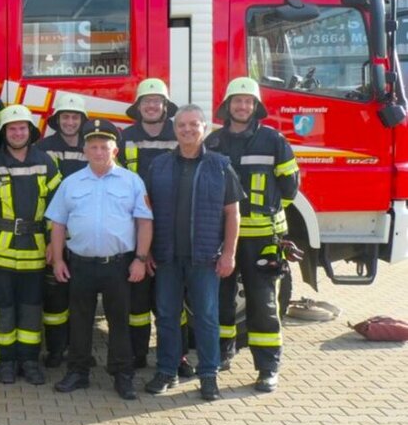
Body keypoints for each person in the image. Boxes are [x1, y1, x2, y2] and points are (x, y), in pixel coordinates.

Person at [205, 77, 299, 393]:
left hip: (263, 240)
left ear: (255, 107)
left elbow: (290, 188)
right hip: (223, 237)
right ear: (227, 106)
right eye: (237, 101)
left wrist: (269, 215)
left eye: (248, 101)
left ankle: (268, 368)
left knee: (263, 304)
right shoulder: (214, 142)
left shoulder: (274, 140)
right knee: (222, 301)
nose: (242, 106)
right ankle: (221, 356)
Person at [47, 119, 152, 401]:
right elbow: (57, 224)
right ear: (85, 151)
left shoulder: (132, 181)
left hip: (118, 264)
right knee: (79, 321)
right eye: (93, 147)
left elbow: (144, 222)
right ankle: (78, 372)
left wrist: (140, 259)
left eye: (104, 147)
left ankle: (122, 375)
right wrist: (58, 261)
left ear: (114, 151)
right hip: (80, 264)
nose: (98, 152)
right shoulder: (71, 183)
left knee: (120, 321)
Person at [143, 105, 241, 401]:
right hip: (167, 257)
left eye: (193, 125)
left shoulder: (220, 165)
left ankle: (208, 375)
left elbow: (233, 213)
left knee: (207, 318)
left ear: (205, 128)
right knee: (166, 316)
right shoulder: (158, 166)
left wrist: (229, 254)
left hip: (205, 257)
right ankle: (167, 370)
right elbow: (145, 213)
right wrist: (145, 252)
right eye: (182, 125)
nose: (187, 130)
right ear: (174, 130)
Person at [0, 105, 61, 385]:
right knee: (4, 310)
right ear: (4, 132)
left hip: (35, 252)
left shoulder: (46, 162)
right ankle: (6, 361)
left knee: (31, 309)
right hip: (0, 252)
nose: (17, 132)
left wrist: (54, 244)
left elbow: (59, 209)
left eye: (22, 128)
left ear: (30, 132)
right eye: (12, 128)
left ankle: (29, 362)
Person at [118, 78, 186, 373]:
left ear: (165, 106)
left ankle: (178, 356)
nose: (151, 105)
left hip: (172, 227)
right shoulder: (126, 136)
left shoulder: (179, 133)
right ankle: (137, 355)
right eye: (146, 101)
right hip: (135, 227)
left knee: (172, 301)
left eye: (157, 101)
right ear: (138, 106)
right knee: (138, 300)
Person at [35, 91, 88, 368]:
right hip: (56, 233)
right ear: (57, 120)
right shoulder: (44, 148)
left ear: (82, 120)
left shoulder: (92, 146)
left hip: (85, 237)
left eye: (74, 117)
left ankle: (80, 351)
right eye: (65, 117)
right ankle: (56, 351)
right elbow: (43, 198)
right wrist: (49, 241)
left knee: (82, 299)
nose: (70, 122)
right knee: (55, 299)